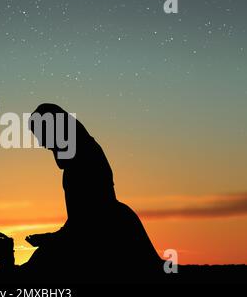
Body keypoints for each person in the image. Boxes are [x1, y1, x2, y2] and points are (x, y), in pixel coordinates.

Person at [22, 103, 163, 281]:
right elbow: (80, 222)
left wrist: (53, 240)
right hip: (109, 226)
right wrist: (54, 238)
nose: (41, 144)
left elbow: (89, 222)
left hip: (109, 234)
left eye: (42, 136)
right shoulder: (82, 155)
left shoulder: (82, 162)